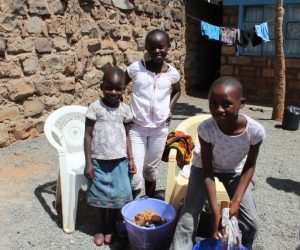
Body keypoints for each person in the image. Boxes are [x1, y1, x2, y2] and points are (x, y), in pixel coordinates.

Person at [171, 76, 266, 250]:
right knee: (188, 216)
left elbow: (250, 165)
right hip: (203, 169)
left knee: (251, 222)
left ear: (241, 103)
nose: (218, 109)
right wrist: (215, 212)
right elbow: (207, 170)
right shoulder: (206, 129)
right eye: (213, 103)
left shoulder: (255, 131)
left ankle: (240, 246)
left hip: (234, 171)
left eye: (226, 104)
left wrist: (235, 202)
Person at [84, 66, 137, 246]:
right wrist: (88, 163)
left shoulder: (125, 110)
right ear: (101, 86)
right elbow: (88, 135)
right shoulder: (95, 108)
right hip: (99, 161)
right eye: (109, 87)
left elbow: (128, 135)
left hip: (119, 161)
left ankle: (112, 227)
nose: (113, 92)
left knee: (117, 197)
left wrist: (131, 159)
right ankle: (100, 226)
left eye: (118, 88)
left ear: (124, 89)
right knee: (99, 197)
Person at [125, 29, 181, 198]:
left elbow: (177, 91)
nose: (157, 51)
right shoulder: (136, 68)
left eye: (161, 47)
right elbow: (119, 87)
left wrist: (170, 108)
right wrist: (123, 113)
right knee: (134, 173)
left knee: (151, 170)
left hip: (159, 128)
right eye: (152, 47)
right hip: (137, 127)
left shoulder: (172, 73)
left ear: (168, 47)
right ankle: (129, 210)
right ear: (147, 48)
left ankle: (148, 204)